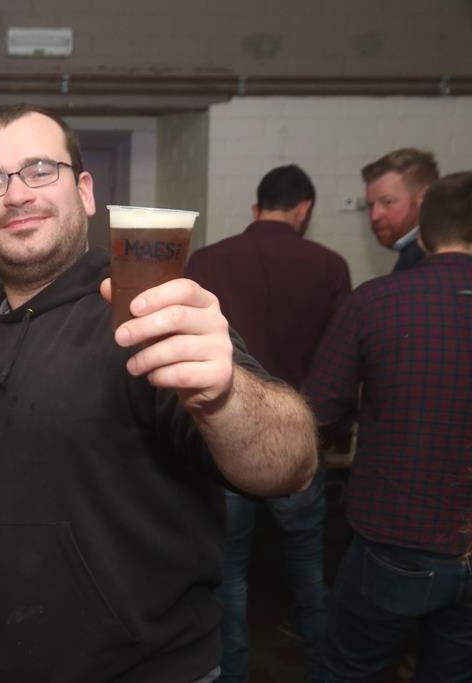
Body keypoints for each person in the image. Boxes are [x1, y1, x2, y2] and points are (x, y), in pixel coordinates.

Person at [0, 105, 318, 683]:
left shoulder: (144, 319)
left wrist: (225, 396)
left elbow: (291, 464)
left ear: (84, 192)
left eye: (40, 169)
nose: (16, 194)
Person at [184, 164, 351, 682]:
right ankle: (323, 672)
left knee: (229, 576)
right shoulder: (330, 266)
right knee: (308, 570)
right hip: (295, 438)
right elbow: (340, 362)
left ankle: (232, 675)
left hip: (227, 436)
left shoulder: (208, 259)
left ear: (256, 208)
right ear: (303, 209)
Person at [304, 171, 472, 682]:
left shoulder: (377, 300)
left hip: (396, 533)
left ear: (423, 233)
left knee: (350, 670)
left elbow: (318, 410)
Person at [361, 147, 439, 272]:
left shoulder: (426, 262)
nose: (374, 216)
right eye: (370, 205)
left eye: (387, 202)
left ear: (424, 197)